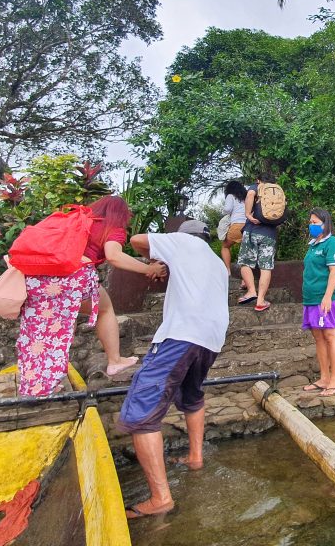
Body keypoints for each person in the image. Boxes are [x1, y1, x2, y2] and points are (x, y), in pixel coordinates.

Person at [118, 219, 230, 519]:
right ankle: (195, 457)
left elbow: (137, 240)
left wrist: (157, 260)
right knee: (192, 395)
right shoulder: (218, 263)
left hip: (181, 334)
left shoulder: (182, 244)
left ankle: (161, 499)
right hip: (212, 339)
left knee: (141, 412)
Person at [15, 195, 166, 397]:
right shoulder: (111, 227)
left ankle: (36, 384)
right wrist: (149, 269)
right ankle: (115, 361)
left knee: (40, 333)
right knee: (104, 310)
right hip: (71, 277)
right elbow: (114, 256)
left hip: (37, 278)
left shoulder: (76, 218)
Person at [299, 209, 335, 398]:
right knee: (318, 338)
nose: (312, 225)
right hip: (310, 298)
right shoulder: (312, 245)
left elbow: (334, 272)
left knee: (330, 335)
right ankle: (324, 378)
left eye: (316, 222)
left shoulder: (333, 244)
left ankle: (334, 380)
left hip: (326, 298)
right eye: (310, 221)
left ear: (325, 224)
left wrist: (327, 297)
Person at [236, 172, 279, 312]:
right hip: (270, 234)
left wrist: (248, 214)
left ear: (258, 180)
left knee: (245, 262)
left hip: (252, 231)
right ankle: (260, 300)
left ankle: (251, 292)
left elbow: (249, 195)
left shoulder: (257, 186)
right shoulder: (277, 190)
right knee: (266, 267)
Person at [219, 180, 248, 280]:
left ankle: (228, 271)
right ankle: (245, 280)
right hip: (249, 226)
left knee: (225, 246)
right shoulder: (247, 197)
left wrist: (222, 212)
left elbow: (227, 209)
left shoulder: (231, 196)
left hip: (237, 226)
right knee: (246, 251)